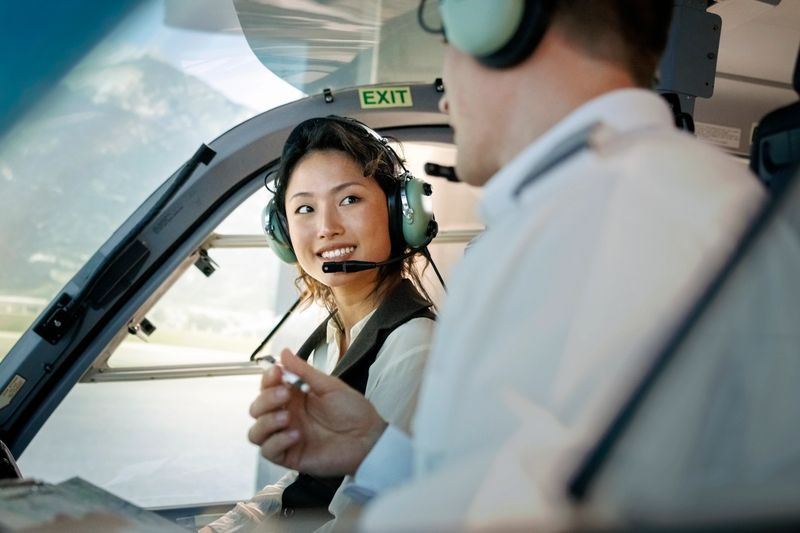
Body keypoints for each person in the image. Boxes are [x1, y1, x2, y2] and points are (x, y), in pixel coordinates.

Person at [248, 1, 775, 529]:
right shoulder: (621, 203)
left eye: (445, 32)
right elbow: (516, 489)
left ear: (500, 19)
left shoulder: (610, 224)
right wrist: (377, 449)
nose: (445, 81)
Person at [203, 116, 437, 532]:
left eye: (349, 200)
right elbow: (304, 482)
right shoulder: (334, 334)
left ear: (400, 212)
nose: (327, 228)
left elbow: (363, 518)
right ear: (283, 232)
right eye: (305, 208)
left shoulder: (414, 347)